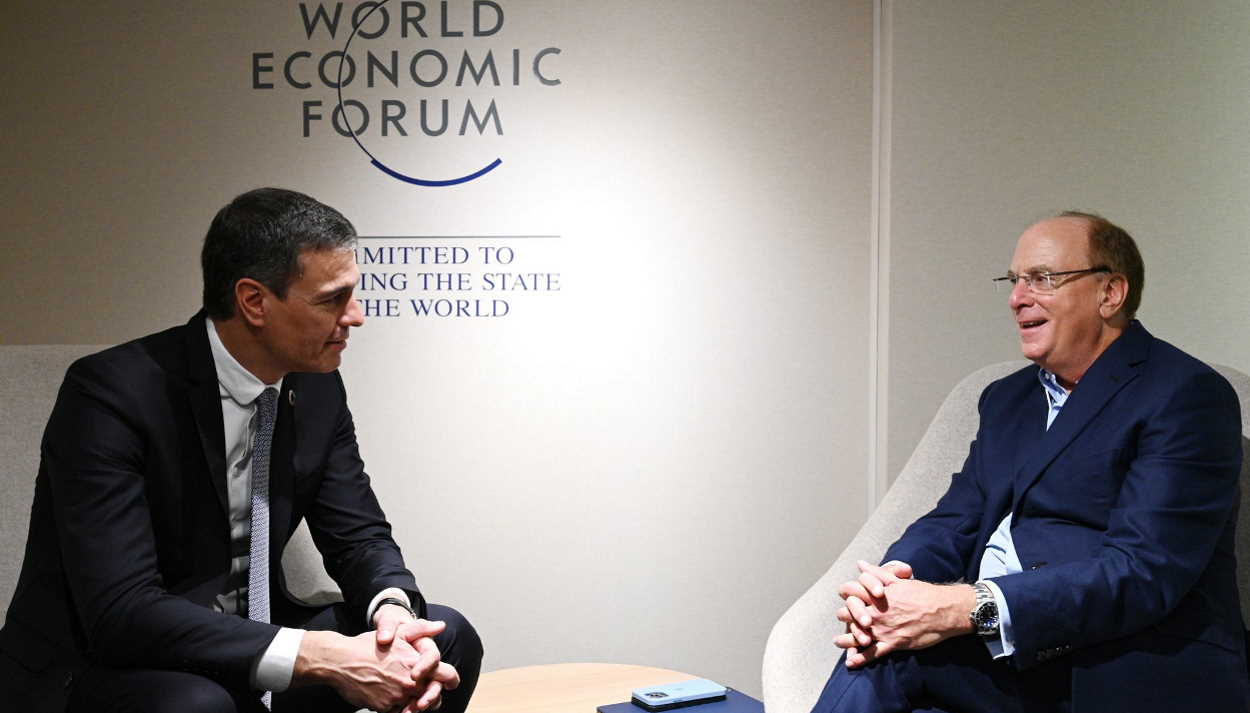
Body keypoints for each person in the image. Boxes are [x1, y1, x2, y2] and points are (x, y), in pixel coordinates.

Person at [0, 188, 483, 713]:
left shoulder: (317, 388)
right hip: (110, 661)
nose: (357, 316)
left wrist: (391, 613)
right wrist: (317, 654)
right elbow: (122, 610)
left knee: (443, 642)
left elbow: (358, 535)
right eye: (332, 299)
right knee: (199, 705)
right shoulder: (111, 394)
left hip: (253, 636)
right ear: (254, 301)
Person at [810, 212, 1248, 712]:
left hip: (1123, 664)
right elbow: (956, 519)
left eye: (1042, 279)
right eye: (1014, 280)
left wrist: (966, 607)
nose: (1018, 298)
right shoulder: (1006, 399)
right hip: (1007, 663)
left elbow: (1143, 572)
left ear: (1110, 293)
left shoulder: (1185, 395)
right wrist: (892, 585)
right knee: (879, 653)